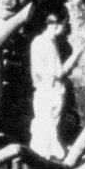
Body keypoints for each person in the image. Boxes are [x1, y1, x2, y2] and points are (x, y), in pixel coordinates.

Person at [28, 20, 74, 160]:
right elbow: (59, 72)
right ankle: (46, 161)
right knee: (47, 129)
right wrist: (78, 53)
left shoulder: (41, 42)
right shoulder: (45, 43)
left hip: (47, 89)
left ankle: (41, 161)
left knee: (45, 127)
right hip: (49, 90)